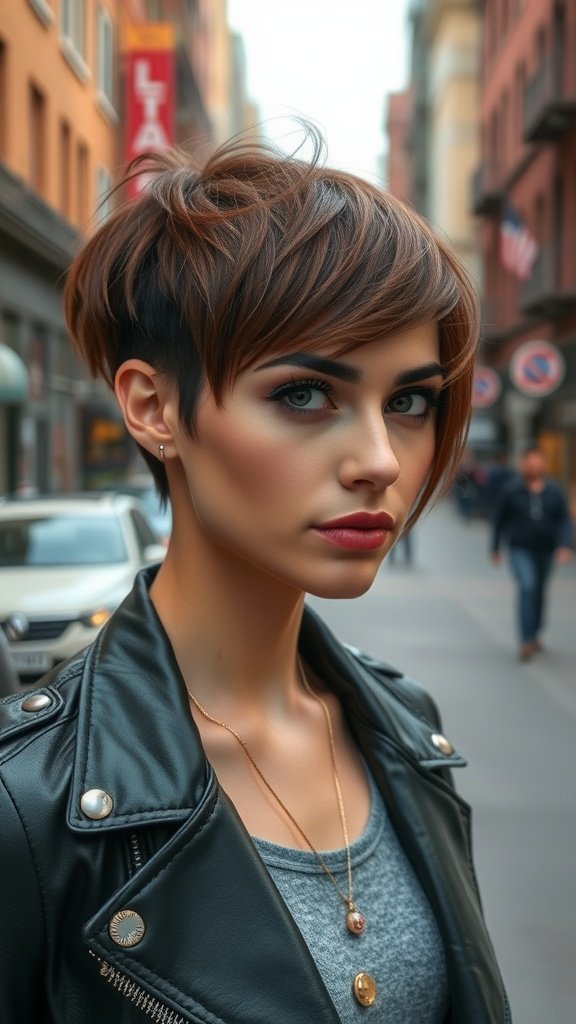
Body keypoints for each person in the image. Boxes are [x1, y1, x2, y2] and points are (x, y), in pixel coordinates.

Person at [0, 129, 510, 1023]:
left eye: (409, 401)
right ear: (154, 407)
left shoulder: (406, 726)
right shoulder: (28, 805)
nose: (380, 460)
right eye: (306, 394)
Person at [491, 445, 573, 660]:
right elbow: (499, 520)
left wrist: (565, 545)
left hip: (546, 549)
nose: (532, 464)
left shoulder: (554, 490)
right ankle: (526, 640)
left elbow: (563, 520)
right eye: (528, 460)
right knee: (527, 587)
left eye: (537, 460)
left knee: (539, 593)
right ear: (522, 463)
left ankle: (535, 633)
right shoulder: (511, 490)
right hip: (520, 548)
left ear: (543, 463)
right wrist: (495, 547)